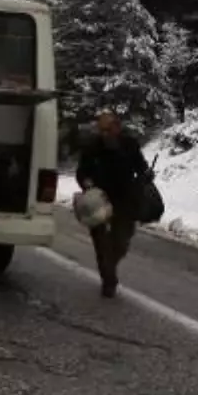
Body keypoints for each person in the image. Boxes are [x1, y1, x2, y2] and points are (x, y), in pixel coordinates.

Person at [75, 110, 152, 298]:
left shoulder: (129, 145)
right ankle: (108, 280)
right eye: (102, 130)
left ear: (117, 127)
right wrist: (86, 182)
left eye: (108, 129)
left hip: (124, 199)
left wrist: (146, 175)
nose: (105, 134)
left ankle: (111, 263)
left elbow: (141, 167)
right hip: (98, 199)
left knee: (122, 241)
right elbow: (81, 171)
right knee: (101, 242)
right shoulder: (92, 147)